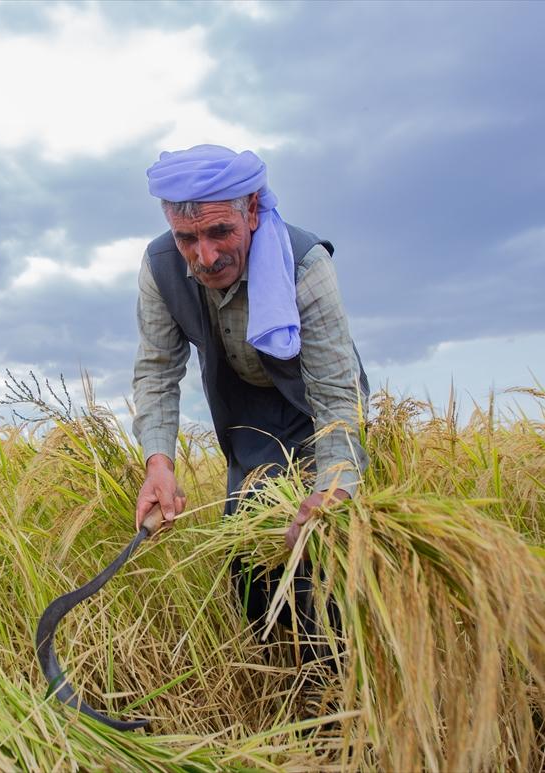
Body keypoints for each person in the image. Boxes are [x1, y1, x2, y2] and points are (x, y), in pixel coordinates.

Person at [131, 144, 369, 662]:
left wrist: (333, 489)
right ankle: (274, 668)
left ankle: (336, 677)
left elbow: (336, 394)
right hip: (248, 416)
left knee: (319, 553)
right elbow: (156, 371)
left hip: (317, 410)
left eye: (221, 232)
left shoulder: (305, 266)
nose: (205, 257)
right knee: (247, 557)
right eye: (187, 238)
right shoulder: (160, 268)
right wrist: (159, 462)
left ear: (253, 212)